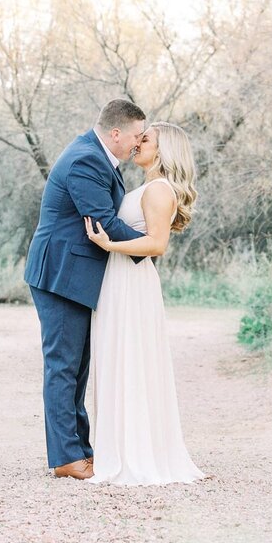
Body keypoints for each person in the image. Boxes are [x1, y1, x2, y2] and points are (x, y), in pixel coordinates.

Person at [24, 99, 147, 480]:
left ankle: (81, 449)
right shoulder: (86, 160)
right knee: (63, 367)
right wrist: (152, 245)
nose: (138, 145)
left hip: (74, 275)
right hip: (60, 275)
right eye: (135, 137)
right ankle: (65, 458)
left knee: (77, 368)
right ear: (115, 133)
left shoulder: (95, 155)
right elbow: (104, 222)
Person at [83, 122, 205, 485]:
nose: (137, 143)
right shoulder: (147, 187)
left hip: (132, 282)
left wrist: (110, 246)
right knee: (118, 358)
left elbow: (156, 245)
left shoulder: (158, 190)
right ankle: (118, 448)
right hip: (119, 280)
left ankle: (135, 453)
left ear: (164, 149)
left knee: (130, 359)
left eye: (145, 139)